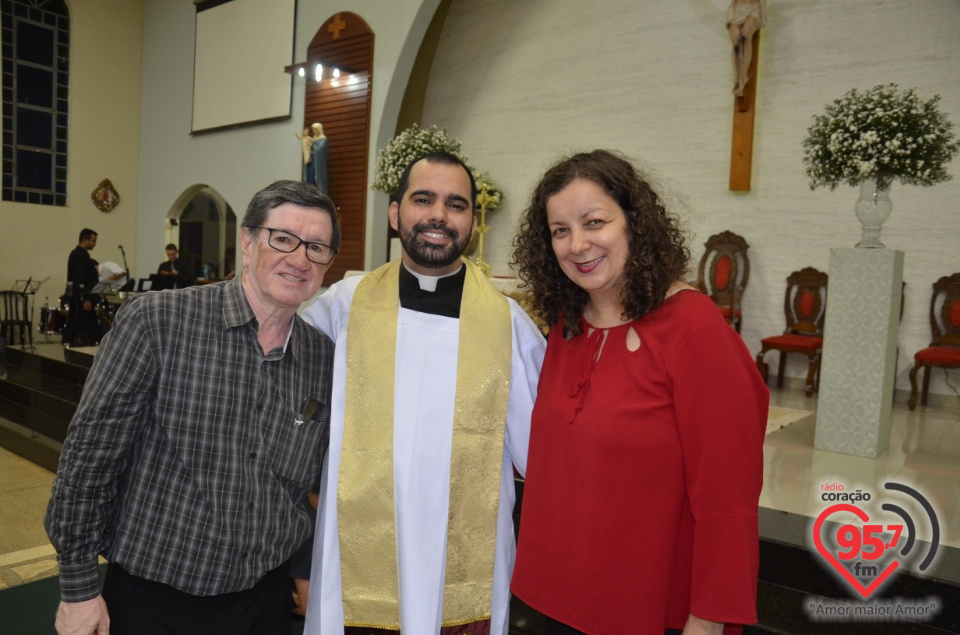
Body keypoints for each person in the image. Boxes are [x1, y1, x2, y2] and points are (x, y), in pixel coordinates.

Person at [44, 180, 341, 635]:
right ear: (247, 242)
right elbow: (88, 462)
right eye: (283, 239)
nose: (299, 259)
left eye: (317, 248)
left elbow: (302, 491)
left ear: (327, 265)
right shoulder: (158, 322)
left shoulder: (323, 359)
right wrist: (78, 590)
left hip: (262, 602)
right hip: (154, 600)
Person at [510, 150, 768, 635]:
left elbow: (728, 496)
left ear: (634, 223)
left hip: (651, 609)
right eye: (560, 230)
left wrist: (709, 618)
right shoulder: (568, 326)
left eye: (594, 222)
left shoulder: (694, 330)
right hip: (559, 600)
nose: (578, 244)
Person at [300, 152, 546, 635]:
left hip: (463, 557)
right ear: (395, 214)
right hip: (353, 548)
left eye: (456, 204)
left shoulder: (508, 325)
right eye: (423, 199)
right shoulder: (340, 308)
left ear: (473, 222)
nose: (439, 214)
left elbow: (542, 451)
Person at [62, 229, 120, 347]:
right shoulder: (79, 256)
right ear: (84, 240)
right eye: (93, 241)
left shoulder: (80, 254)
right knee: (91, 328)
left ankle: (66, 345)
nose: (95, 244)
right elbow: (79, 280)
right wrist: (86, 299)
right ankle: (99, 349)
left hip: (80, 298)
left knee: (73, 326)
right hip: (82, 299)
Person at [727, 0, 766, 96]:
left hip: (753, 7)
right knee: (736, 44)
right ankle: (736, 80)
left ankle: (743, 78)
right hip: (736, 9)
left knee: (744, 37)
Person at [296, 122, 329, 193]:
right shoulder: (313, 138)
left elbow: (321, 149)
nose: (314, 132)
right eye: (313, 130)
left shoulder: (323, 139)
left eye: (315, 130)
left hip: (317, 163)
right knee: (310, 178)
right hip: (311, 161)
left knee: (316, 178)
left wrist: (312, 146)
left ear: (319, 130)